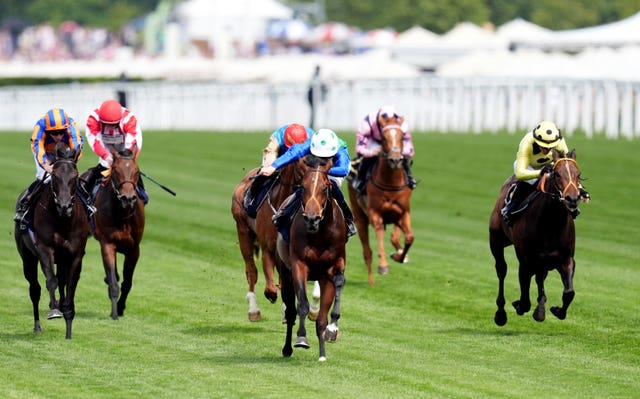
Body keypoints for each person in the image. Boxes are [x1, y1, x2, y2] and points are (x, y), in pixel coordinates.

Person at [261, 128, 357, 239]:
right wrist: (273, 166)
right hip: (317, 167)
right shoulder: (310, 143)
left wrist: (322, 172)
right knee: (307, 186)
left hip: (333, 168)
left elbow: (343, 169)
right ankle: (285, 213)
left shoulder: (341, 150)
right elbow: (292, 154)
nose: (323, 157)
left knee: (332, 187)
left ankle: (348, 219)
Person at [501, 120, 590, 223]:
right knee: (530, 182)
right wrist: (539, 173)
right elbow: (520, 173)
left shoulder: (559, 141)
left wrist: (579, 188)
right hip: (528, 166)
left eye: (549, 147)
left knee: (558, 180)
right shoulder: (527, 142)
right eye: (543, 146)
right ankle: (510, 207)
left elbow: (568, 169)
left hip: (549, 165)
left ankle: (569, 208)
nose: (546, 150)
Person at [14, 108, 85, 223]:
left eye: (61, 132)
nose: (58, 136)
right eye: (54, 133)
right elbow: (39, 151)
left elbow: (76, 149)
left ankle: (88, 204)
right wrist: (48, 167)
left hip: (65, 151)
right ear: (47, 130)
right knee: (45, 177)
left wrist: (69, 164)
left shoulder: (72, 127)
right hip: (45, 152)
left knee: (69, 176)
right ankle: (25, 205)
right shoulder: (39, 128)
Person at [82, 99, 147, 204]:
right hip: (106, 149)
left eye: (114, 124)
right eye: (107, 124)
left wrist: (124, 159)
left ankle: (142, 195)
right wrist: (106, 157)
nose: (111, 127)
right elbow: (95, 141)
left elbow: (133, 142)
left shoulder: (129, 118)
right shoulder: (93, 119)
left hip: (125, 149)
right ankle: (85, 197)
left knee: (128, 170)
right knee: (101, 169)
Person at [243, 123, 313, 217]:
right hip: (281, 152)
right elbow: (270, 161)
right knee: (268, 172)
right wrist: (270, 167)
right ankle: (252, 195)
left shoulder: (312, 137)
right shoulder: (276, 140)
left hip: (304, 154)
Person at [350, 106, 417, 193]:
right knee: (366, 159)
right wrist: (373, 152)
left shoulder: (402, 125)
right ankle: (360, 180)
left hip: (394, 143)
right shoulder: (368, 123)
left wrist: (397, 152)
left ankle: (408, 178)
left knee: (402, 158)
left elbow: (410, 150)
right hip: (373, 142)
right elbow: (359, 149)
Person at [307, 65, 327, 130]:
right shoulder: (315, 77)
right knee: (313, 113)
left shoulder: (317, 77)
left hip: (315, 98)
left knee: (314, 113)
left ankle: (313, 125)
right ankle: (311, 125)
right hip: (313, 98)